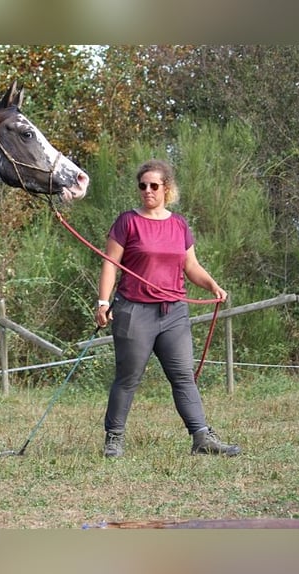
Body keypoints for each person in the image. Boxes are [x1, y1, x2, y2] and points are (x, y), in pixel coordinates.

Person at [95, 159, 241, 458]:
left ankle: (202, 438)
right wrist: (103, 301)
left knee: (183, 375)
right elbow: (110, 264)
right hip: (134, 310)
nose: (147, 191)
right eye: (142, 185)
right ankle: (114, 439)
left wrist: (212, 285)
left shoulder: (178, 224)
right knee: (128, 376)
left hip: (173, 312)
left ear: (167, 188)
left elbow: (191, 266)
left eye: (154, 185)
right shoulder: (127, 222)